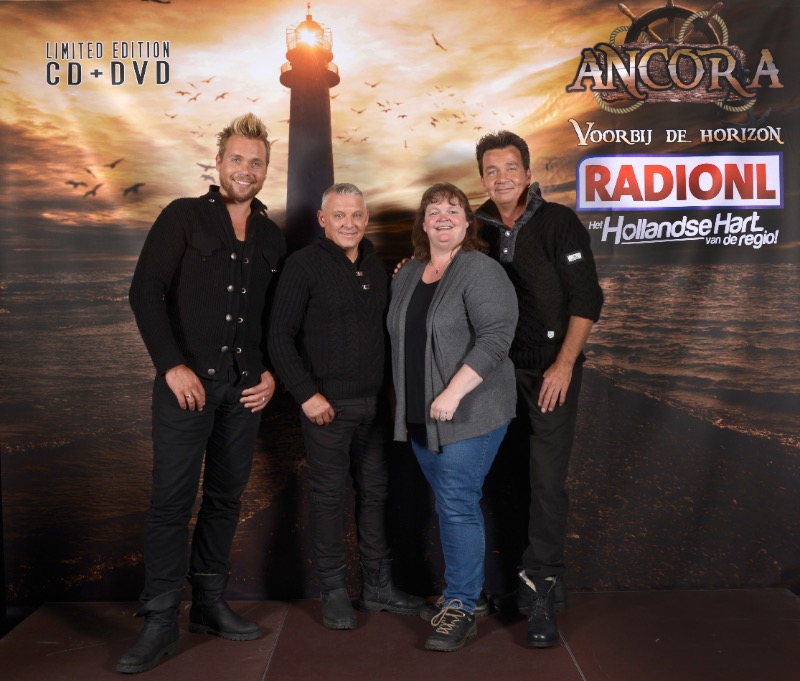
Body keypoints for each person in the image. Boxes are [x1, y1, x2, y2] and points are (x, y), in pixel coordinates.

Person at [121, 113, 286, 674]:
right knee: (171, 503)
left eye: (256, 162)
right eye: (236, 159)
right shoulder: (183, 216)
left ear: (265, 170)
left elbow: (274, 319)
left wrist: (270, 372)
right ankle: (160, 621)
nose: (246, 169)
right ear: (218, 163)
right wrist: (171, 366)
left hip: (244, 394)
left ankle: (210, 606)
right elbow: (145, 292)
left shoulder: (273, 236)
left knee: (224, 500)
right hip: (185, 389)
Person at [268, 183, 424, 630]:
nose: (349, 223)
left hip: (375, 407)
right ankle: (334, 590)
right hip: (327, 408)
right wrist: (306, 394)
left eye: (356, 215)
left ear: (366, 218)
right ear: (323, 219)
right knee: (328, 497)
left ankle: (378, 586)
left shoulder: (376, 266)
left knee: (376, 494)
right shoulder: (302, 265)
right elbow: (278, 337)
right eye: (339, 215)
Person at [474, 131, 603, 648]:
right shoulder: (475, 228)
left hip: (550, 372)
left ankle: (543, 587)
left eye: (511, 168)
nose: (501, 177)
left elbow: (587, 298)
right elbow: (442, 269)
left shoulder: (558, 222)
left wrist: (564, 365)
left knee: (546, 482)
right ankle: (506, 579)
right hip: (493, 375)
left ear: (528, 174)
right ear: (482, 178)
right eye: (491, 170)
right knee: (499, 480)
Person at [387, 183, 518, 652]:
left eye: (453, 209)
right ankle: (470, 592)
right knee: (450, 502)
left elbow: (495, 338)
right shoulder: (408, 273)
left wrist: (453, 392)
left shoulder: (481, 270)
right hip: (420, 416)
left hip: (470, 412)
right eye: (434, 210)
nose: (443, 216)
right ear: (423, 223)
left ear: (467, 222)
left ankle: (460, 606)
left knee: (456, 503)